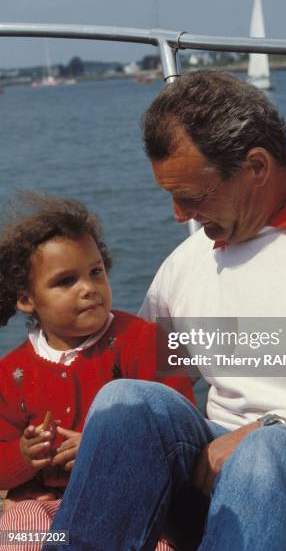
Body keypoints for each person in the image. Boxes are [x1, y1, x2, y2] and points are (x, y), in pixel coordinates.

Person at [47, 71, 286, 550]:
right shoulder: (188, 263)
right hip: (225, 473)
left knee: (268, 455)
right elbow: (142, 374)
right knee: (126, 405)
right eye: (170, 196)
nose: (177, 215)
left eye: (192, 196)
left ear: (256, 165)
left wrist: (274, 428)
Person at [0, 193, 193, 551]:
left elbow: (180, 424)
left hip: (136, 503)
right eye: (65, 281)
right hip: (49, 506)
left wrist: (102, 447)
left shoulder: (144, 340)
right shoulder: (11, 374)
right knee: (17, 528)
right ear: (27, 299)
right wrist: (24, 457)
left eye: (95, 272)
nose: (88, 288)